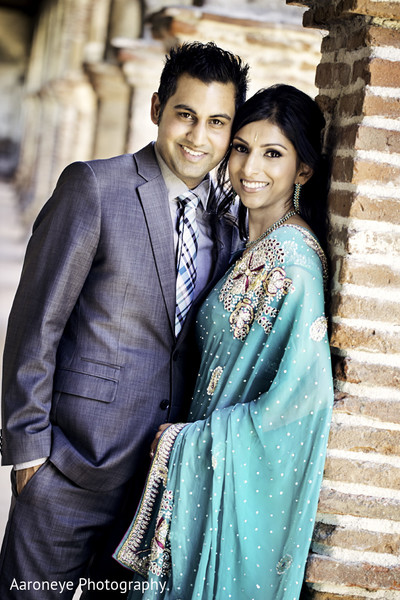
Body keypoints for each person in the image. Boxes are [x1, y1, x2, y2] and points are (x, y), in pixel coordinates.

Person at [0, 42, 249, 599]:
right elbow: (36, 324)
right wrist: (30, 456)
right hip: (67, 470)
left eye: (216, 122)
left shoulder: (231, 224)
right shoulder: (94, 187)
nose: (197, 137)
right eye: (185, 115)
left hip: (156, 491)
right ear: (157, 107)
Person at [114, 84, 334, 600]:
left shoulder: (294, 262)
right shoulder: (241, 239)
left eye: (273, 154)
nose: (250, 167)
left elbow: (303, 402)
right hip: (197, 480)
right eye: (241, 147)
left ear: (302, 170)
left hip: (219, 482)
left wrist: (187, 442)